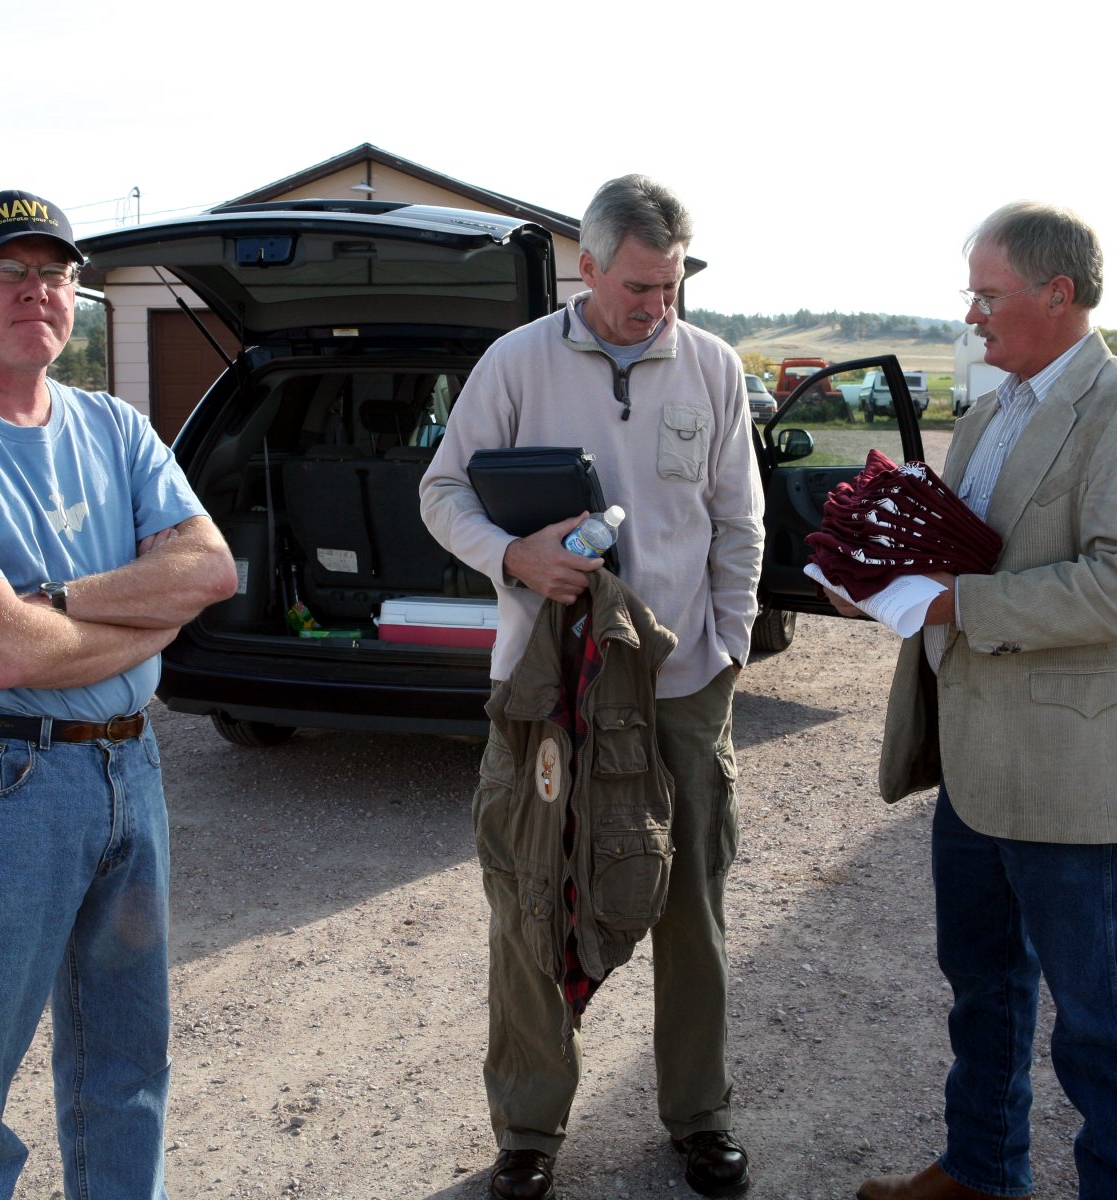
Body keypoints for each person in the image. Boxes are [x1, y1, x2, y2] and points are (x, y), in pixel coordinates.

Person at [0, 189, 237, 1199]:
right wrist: (140, 618)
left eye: (56, 275)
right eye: (9, 274)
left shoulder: (112, 426)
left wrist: (63, 600)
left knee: (128, 1061)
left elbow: (211, 572)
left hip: (130, 766)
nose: (38, 292)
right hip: (4, 783)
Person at [835, 202, 1117, 1200]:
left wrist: (955, 600)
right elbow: (958, 555)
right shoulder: (991, 410)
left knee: (1101, 1028)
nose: (973, 315)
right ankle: (982, 1171)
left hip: (1068, 776)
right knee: (982, 994)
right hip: (974, 763)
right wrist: (883, 575)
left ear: (1058, 293)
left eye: (987, 295)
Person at [419, 175, 764, 1200]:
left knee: (690, 904)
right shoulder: (515, 361)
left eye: (670, 287)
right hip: (547, 693)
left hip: (681, 687)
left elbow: (739, 524)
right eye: (638, 287)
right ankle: (528, 1131)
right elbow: (440, 493)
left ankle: (699, 1117)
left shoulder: (711, 368)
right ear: (588, 265)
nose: (655, 306)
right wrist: (511, 557)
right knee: (532, 898)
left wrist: (729, 650)